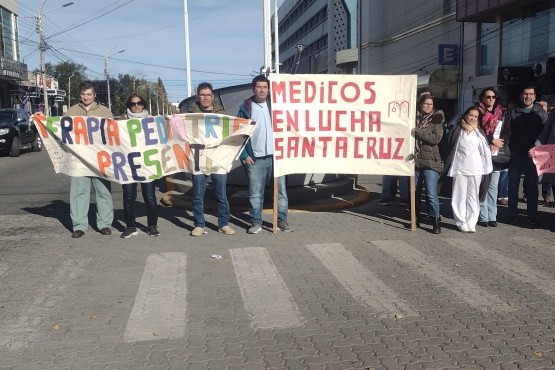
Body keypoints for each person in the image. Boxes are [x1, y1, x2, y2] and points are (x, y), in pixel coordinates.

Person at [237, 75, 293, 234]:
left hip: (277, 157)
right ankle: (256, 222)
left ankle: (282, 220)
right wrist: (244, 156)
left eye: (265, 87)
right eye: (259, 87)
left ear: (269, 89)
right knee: (255, 194)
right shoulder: (245, 109)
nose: (262, 90)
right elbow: (238, 135)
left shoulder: (276, 106)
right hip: (255, 159)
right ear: (253, 89)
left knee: (281, 192)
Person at [65, 81, 114, 238]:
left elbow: (113, 133)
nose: (86, 97)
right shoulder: (72, 111)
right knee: (78, 193)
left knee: (103, 191)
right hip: (78, 159)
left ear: (94, 95)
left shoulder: (104, 111)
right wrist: (42, 120)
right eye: (83, 94)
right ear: (80, 95)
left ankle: (105, 224)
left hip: (100, 158)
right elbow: (61, 131)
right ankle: (79, 226)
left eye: (89, 94)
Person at [187, 82, 235, 237]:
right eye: (202, 95)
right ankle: (199, 224)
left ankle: (224, 224)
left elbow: (232, 132)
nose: (205, 98)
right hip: (198, 158)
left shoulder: (223, 114)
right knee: (197, 195)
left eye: (208, 95)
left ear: (212, 96)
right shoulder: (190, 115)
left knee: (221, 194)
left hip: (218, 158)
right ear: (197, 96)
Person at [444, 106, 493, 232]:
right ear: (466, 115)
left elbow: (484, 151)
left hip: (476, 169)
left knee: (473, 197)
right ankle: (461, 221)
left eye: (476, 116)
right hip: (460, 168)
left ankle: (472, 222)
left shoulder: (479, 132)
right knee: (459, 196)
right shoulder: (457, 130)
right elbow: (449, 147)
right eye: (471, 115)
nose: (473, 118)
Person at [506, 86, 548, 226]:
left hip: (534, 156)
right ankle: (512, 214)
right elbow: (507, 132)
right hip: (516, 155)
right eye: (525, 93)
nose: (528, 96)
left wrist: (537, 149)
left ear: (535, 97)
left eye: (531, 94)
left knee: (532, 187)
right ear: (520, 96)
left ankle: (532, 215)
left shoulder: (541, 113)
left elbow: (545, 135)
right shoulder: (513, 112)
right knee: (512, 186)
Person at [119, 93, 160, 238]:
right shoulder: (122, 121)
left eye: (138, 103)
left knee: (149, 197)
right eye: (132, 104)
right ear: (129, 106)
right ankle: (130, 226)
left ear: (143, 104)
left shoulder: (152, 121)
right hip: (127, 164)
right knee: (128, 197)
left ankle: (152, 226)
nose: (136, 106)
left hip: (147, 163)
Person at [477, 87, 509, 227]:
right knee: (483, 185)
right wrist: (491, 140)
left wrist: (499, 144)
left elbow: (507, 131)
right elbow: (477, 131)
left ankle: (492, 216)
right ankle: (483, 216)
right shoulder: (477, 112)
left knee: (493, 186)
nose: (490, 99)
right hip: (481, 153)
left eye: (493, 97)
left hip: (496, 154)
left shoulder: (502, 113)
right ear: (483, 98)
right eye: (487, 96)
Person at [413, 94, 444, 234]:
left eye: (431, 104)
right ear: (420, 105)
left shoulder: (436, 119)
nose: (428, 106)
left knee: (431, 193)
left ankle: (435, 221)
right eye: (426, 104)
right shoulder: (413, 119)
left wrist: (418, 132)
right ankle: (415, 218)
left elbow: (435, 139)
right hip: (415, 160)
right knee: (415, 192)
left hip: (431, 161)